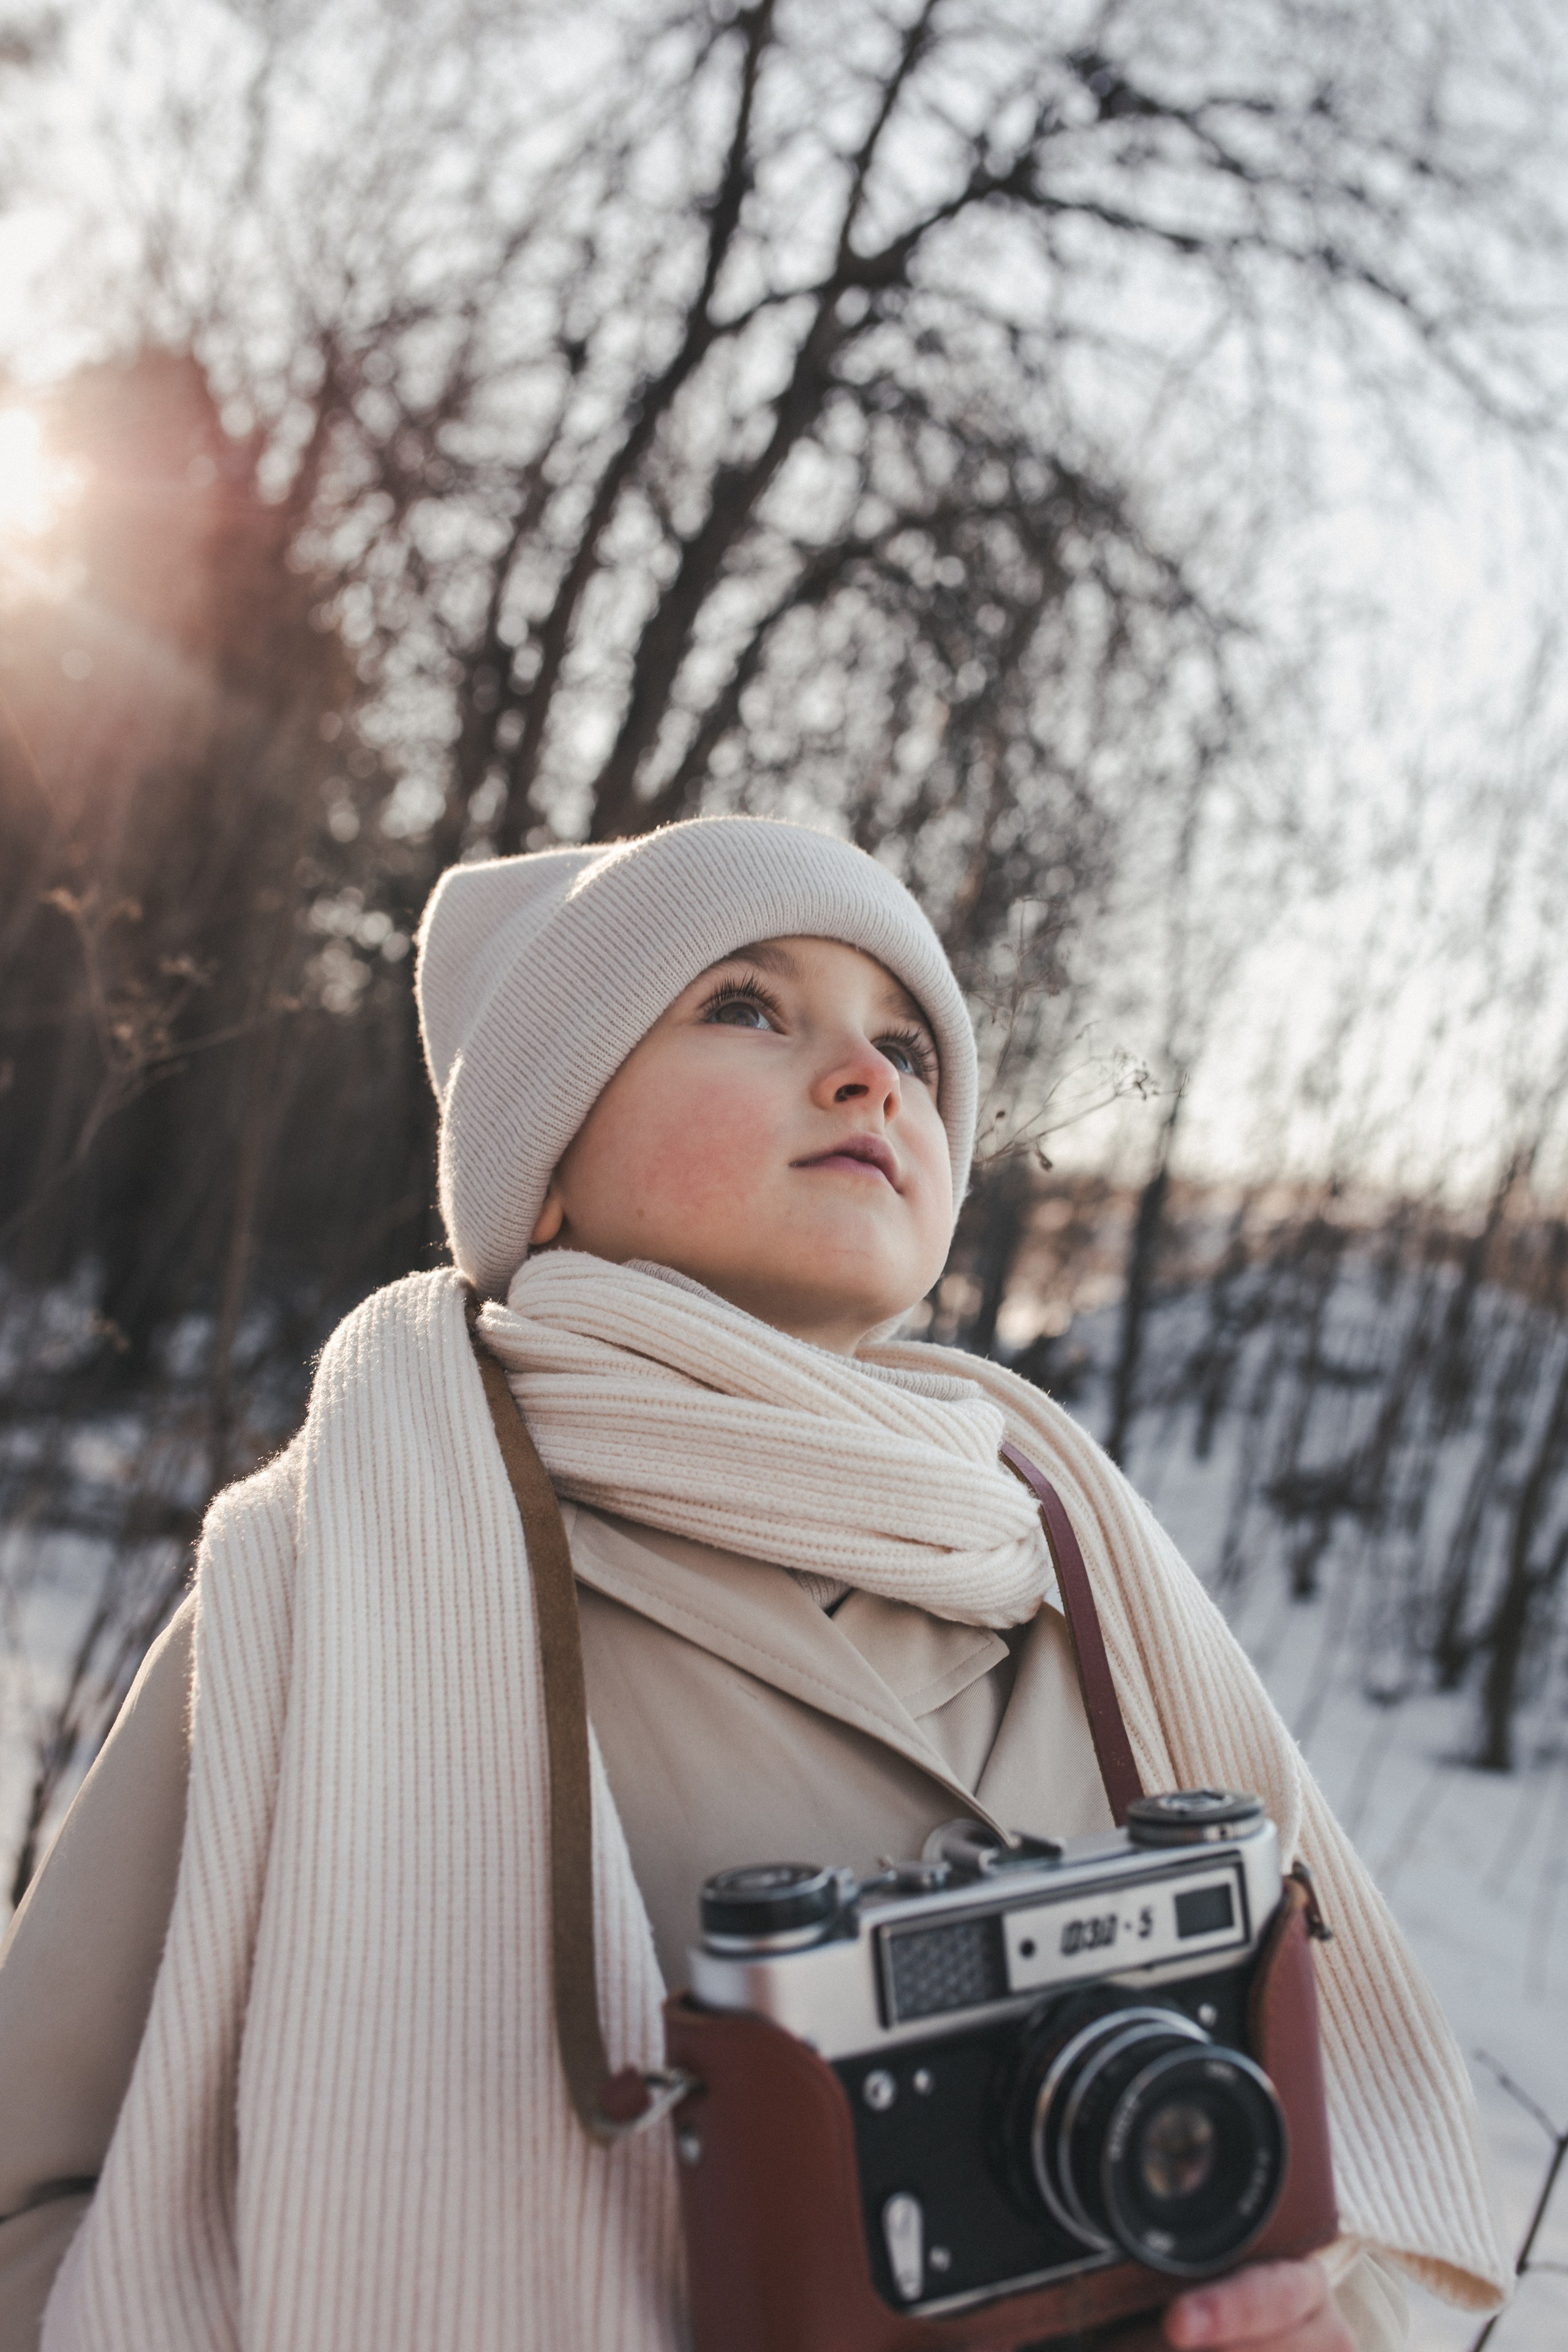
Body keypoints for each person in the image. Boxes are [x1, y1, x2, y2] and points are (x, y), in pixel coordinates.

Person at [0, 818, 1507, 2351]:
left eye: (906, 1047)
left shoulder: (1079, 1586)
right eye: (744, 1007)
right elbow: (36, 2208)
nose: (870, 1079)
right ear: (548, 1166)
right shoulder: (339, 1581)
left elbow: (1311, 2190)